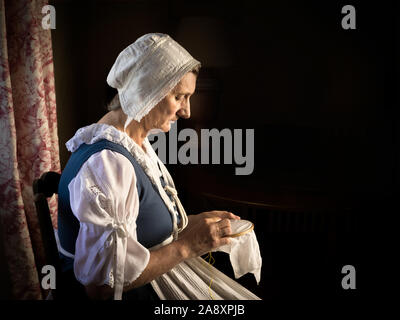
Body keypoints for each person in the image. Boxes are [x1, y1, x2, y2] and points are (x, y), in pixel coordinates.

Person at [57, 33, 259, 301]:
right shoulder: (107, 165)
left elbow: (139, 235)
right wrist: (188, 245)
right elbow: (102, 287)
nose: (186, 111)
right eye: (179, 97)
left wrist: (193, 225)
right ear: (145, 91)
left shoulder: (133, 143)